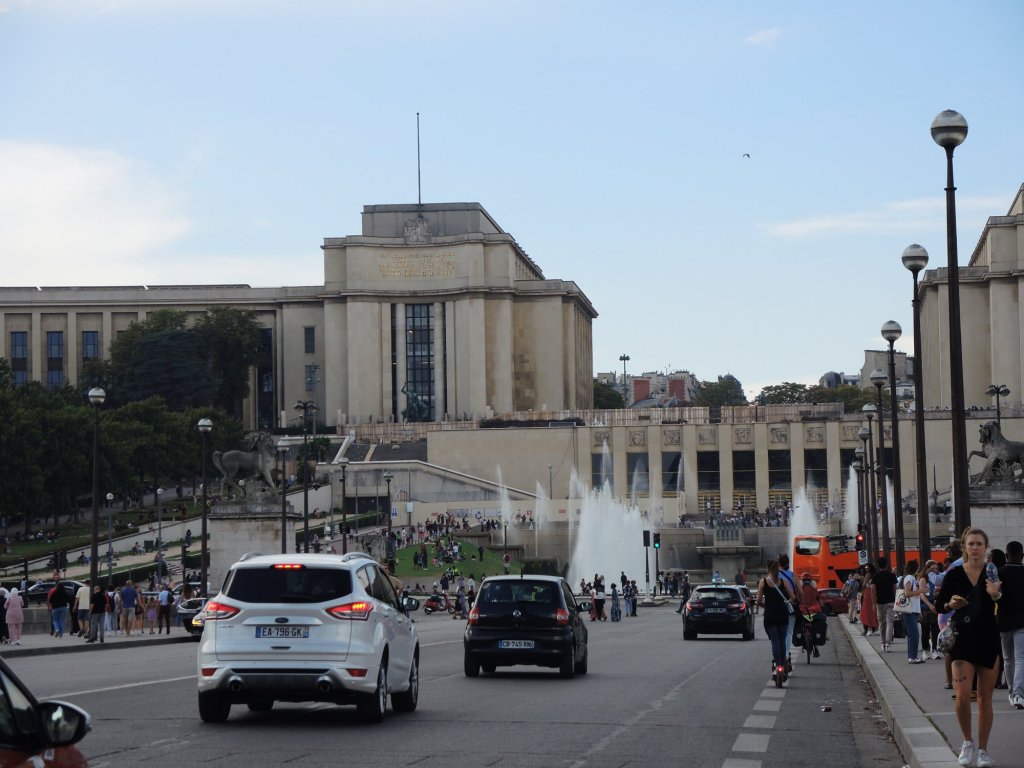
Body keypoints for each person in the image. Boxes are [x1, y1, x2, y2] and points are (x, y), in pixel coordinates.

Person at [936, 527, 1003, 768]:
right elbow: (939, 605)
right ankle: (967, 742)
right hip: (962, 638)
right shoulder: (954, 574)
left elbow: (1007, 604)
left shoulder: (994, 573)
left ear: (986, 547)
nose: (975, 548)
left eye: (979, 544)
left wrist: (995, 595)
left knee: (985, 698)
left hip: (988, 638)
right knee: (963, 695)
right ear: (965, 546)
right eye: (971, 544)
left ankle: (983, 750)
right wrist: (949, 604)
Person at [756, 559, 795, 683]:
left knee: (775, 642)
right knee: (782, 641)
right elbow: (793, 597)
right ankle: (782, 665)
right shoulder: (783, 582)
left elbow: (758, 601)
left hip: (770, 615)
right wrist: (787, 602)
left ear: (768, 569)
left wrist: (765, 606)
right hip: (782, 614)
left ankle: (777, 667)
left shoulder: (763, 582)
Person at [997, 540, 1024, 710]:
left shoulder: (999, 572)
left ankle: (1012, 692)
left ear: (1006, 555)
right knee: (1021, 657)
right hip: (1022, 620)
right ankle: (1019, 694)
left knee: (1008, 659)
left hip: (1004, 620)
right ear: (1022, 556)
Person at [900, 559, 925, 664]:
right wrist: (920, 591)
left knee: (913, 634)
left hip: (911, 609)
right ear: (915, 568)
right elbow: (907, 593)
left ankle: (912, 656)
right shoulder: (910, 578)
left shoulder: (909, 577)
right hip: (910, 610)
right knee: (914, 634)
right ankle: (912, 657)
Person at [873, 557, 899, 652]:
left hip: (880, 602)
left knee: (882, 622)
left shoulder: (875, 576)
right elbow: (895, 589)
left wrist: (873, 603)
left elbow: (873, 591)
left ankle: (883, 642)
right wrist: (896, 600)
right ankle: (888, 643)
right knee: (890, 622)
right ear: (886, 565)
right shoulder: (892, 575)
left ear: (878, 565)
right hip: (891, 601)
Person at [778, 554, 798, 670]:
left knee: (778, 634)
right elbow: (800, 592)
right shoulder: (793, 575)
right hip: (790, 607)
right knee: (789, 633)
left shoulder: (774, 576)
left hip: (777, 608)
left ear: (778, 563)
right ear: (788, 563)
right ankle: (786, 656)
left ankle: (778, 657)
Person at [918, 560, 940, 659]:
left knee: (935, 628)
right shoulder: (923, 579)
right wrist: (929, 605)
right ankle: (925, 650)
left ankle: (934, 649)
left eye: (936, 568)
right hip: (925, 606)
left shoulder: (932, 579)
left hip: (932, 604)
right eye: (933, 568)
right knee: (926, 629)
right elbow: (922, 594)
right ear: (927, 569)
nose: (935, 570)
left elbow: (930, 593)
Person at [860, 564, 879, 636]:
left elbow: (864, 584)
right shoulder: (875, 575)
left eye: (866, 567)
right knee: (874, 611)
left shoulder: (868, 574)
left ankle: (869, 629)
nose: (865, 569)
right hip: (875, 593)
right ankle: (875, 629)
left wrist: (861, 580)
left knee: (867, 611)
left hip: (868, 593)